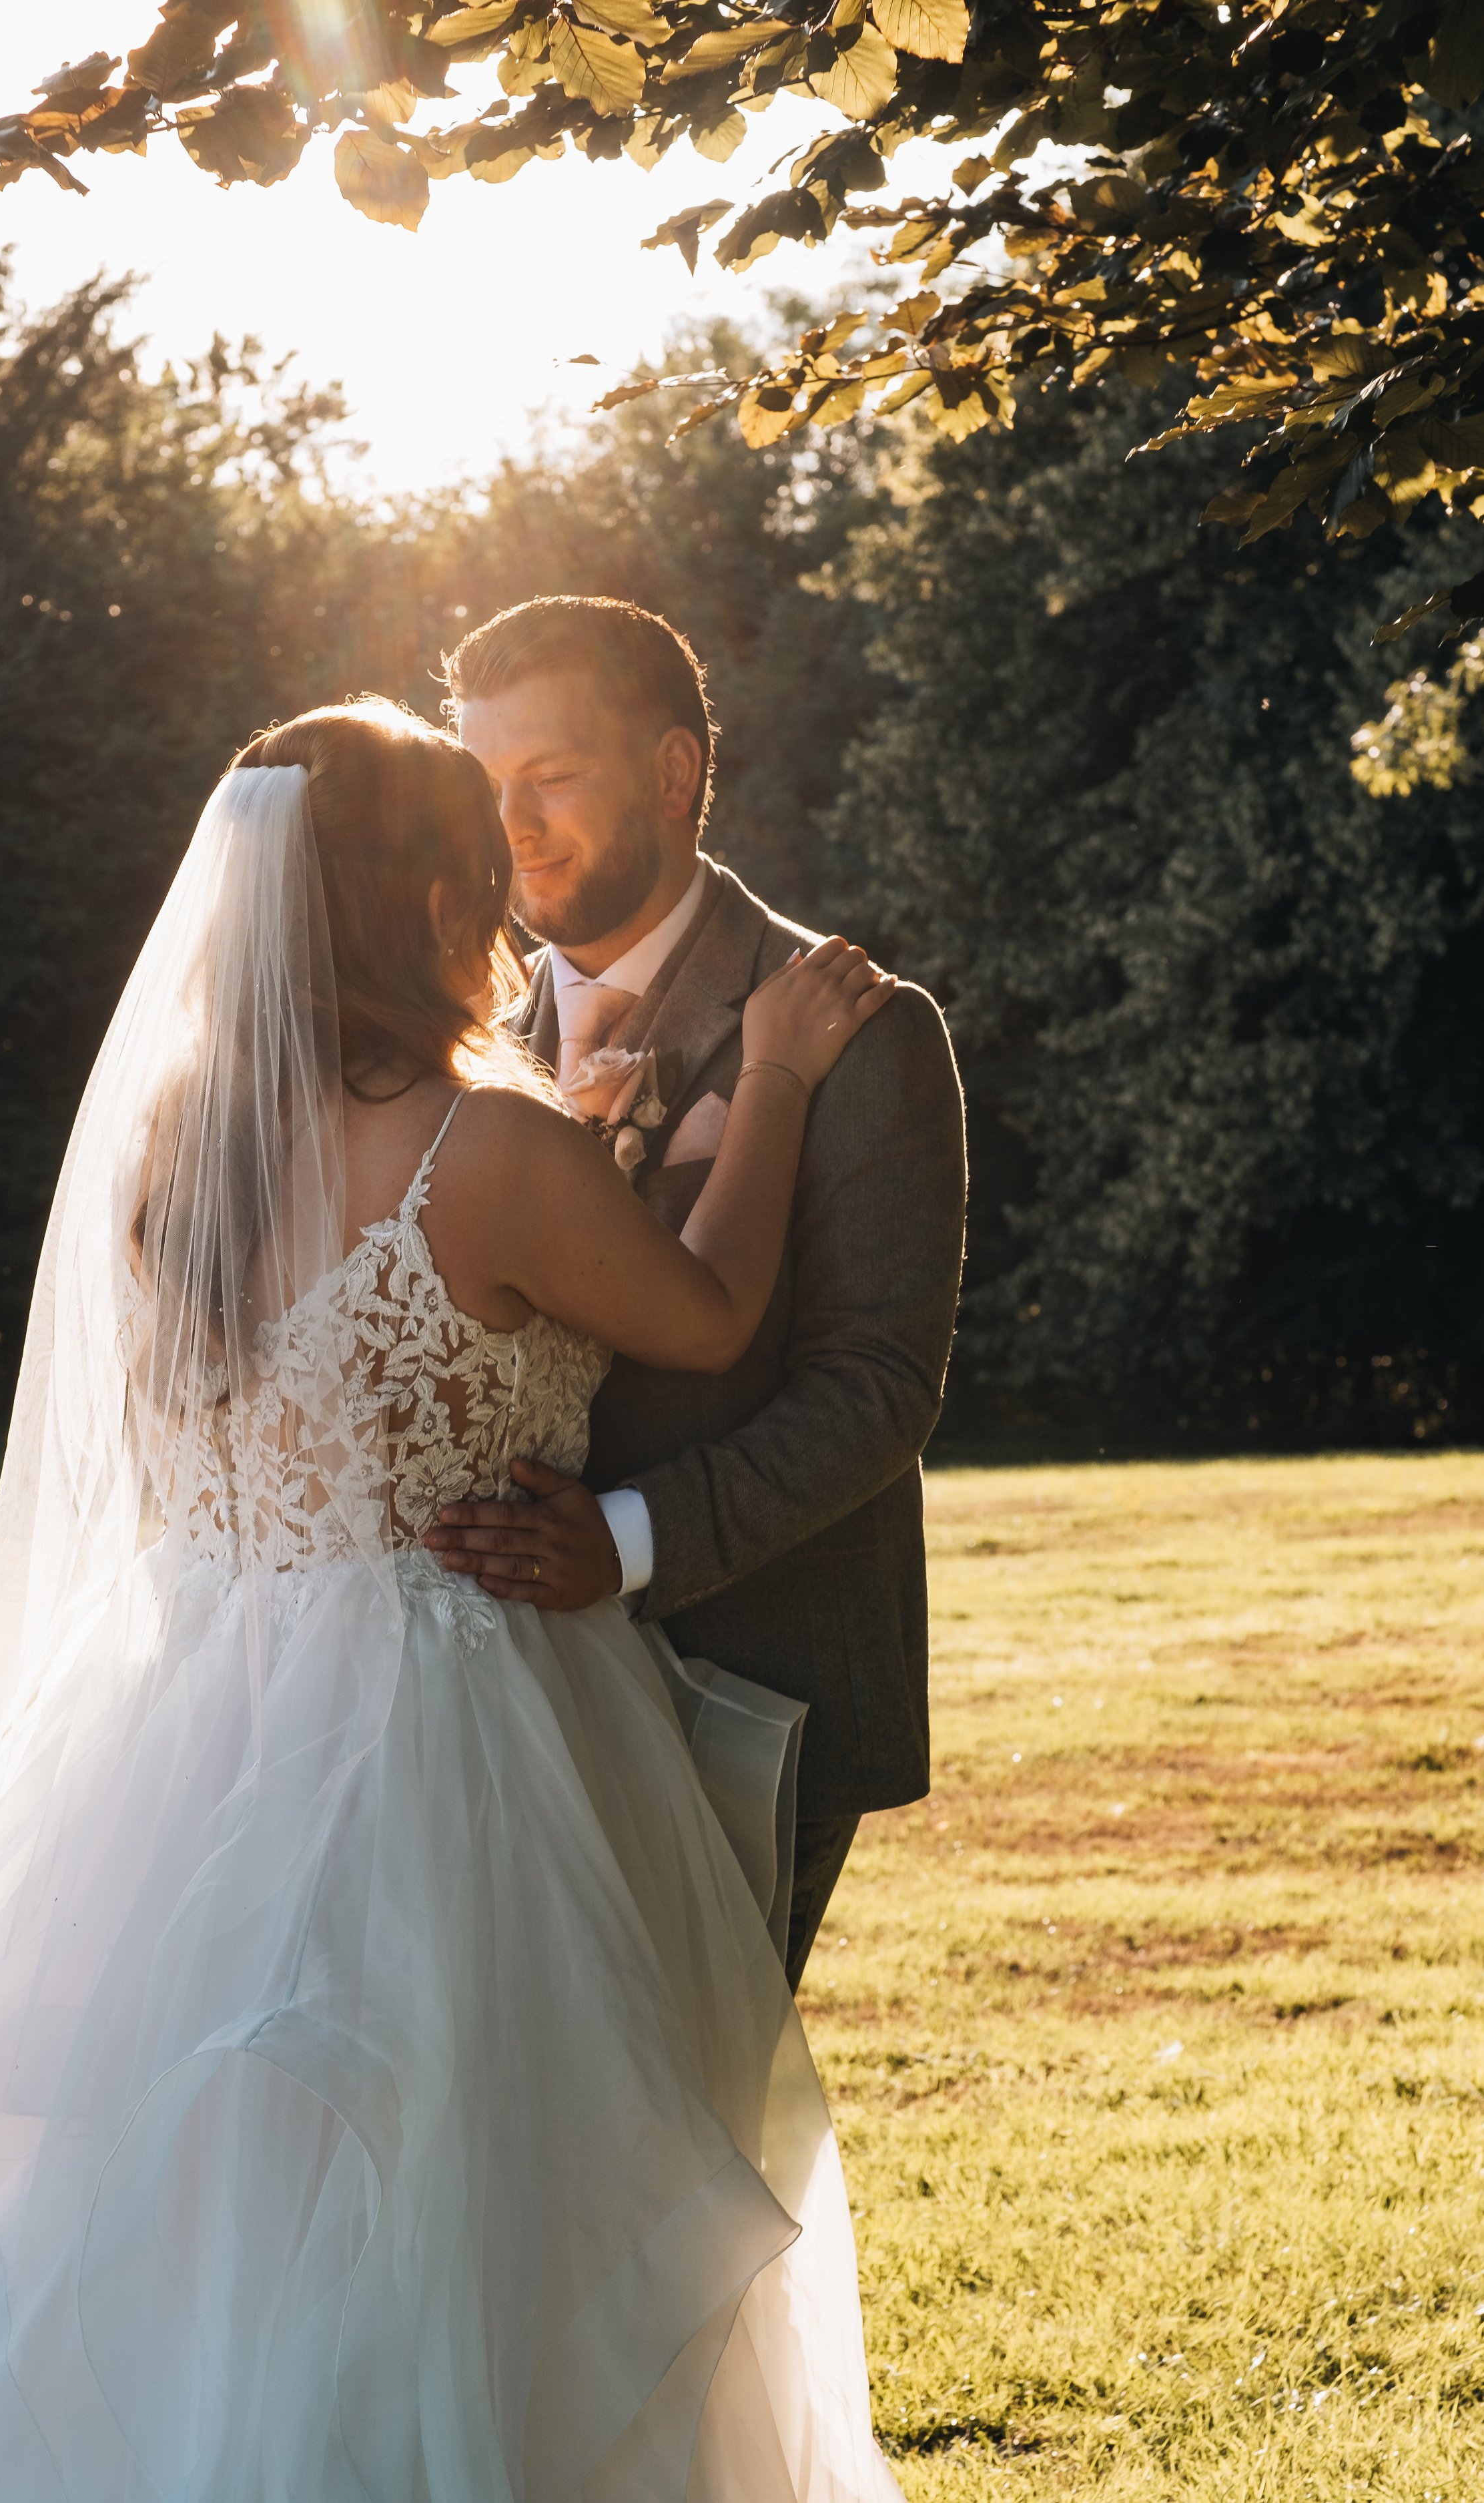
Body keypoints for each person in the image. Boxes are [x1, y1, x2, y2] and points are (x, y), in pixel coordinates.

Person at [0, 699, 906, 2500]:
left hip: (193, 1703)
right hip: (451, 1707)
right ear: (421, 892)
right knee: (487, 2190)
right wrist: (774, 1070)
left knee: (195, 2178)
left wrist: (576, 1135)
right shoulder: (485, 1146)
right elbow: (706, 1317)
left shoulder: (176, 1142)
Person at [434, 598, 967, 1986]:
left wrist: (624, 1536)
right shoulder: (468, 1039)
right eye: (485, 789)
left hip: (749, 1669)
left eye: (549, 776)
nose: (514, 827)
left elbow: (875, 1389)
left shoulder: (856, 1029)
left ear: (672, 773)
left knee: (688, 2160)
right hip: (492, 1688)